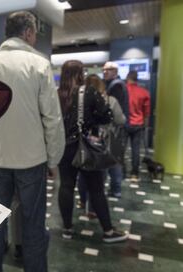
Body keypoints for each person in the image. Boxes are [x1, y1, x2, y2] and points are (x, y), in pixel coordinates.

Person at [0, 11, 65, 272]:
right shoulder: (39, 64)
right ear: (29, 33)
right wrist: (54, 159)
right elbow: (52, 119)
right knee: (33, 223)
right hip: (31, 159)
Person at [57, 60, 128, 243]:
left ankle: (67, 228)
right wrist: (90, 120)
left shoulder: (56, 94)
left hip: (63, 147)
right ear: (80, 73)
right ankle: (108, 231)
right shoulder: (87, 91)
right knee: (96, 188)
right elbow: (107, 115)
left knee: (66, 186)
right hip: (86, 146)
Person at [77, 74, 126, 213]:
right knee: (105, 175)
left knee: (85, 173)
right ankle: (109, 196)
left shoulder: (80, 101)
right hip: (105, 142)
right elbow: (120, 120)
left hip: (85, 143)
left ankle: (83, 200)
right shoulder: (111, 100)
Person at [103, 61, 129, 191]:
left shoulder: (116, 86)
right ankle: (115, 188)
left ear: (115, 71)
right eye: (104, 70)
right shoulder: (116, 84)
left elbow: (114, 109)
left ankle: (116, 188)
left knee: (114, 159)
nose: (105, 72)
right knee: (115, 158)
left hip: (115, 128)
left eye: (108, 70)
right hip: (116, 127)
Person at [126, 70, 151, 181]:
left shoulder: (123, 90)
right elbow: (146, 112)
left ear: (127, 78)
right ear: (137, 79)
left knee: (121, 149)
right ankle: (134, 174)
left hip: (125, 123)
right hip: (138, 124)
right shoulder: (144, 92)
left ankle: (120, 172)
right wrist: (145, 125)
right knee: (136, 150)